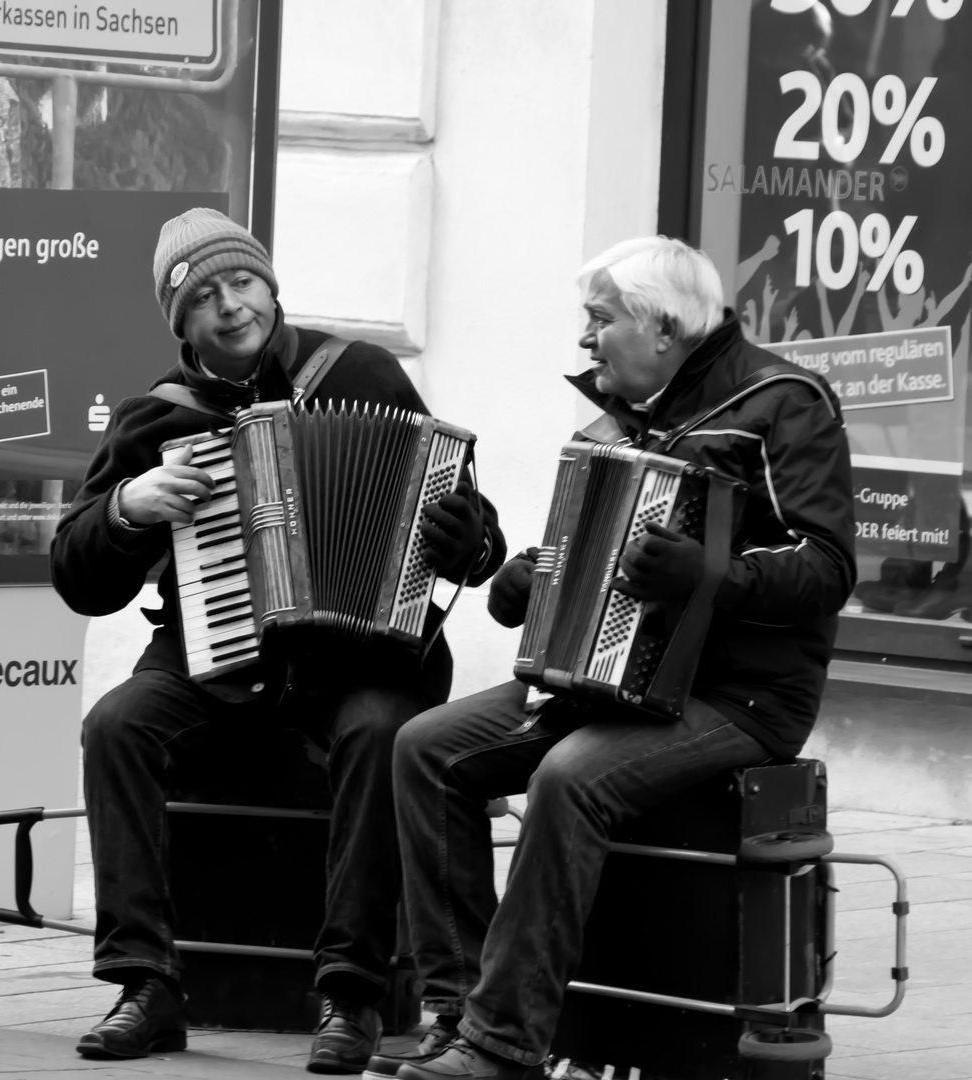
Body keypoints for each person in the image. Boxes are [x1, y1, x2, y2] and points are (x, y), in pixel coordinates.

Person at [365, 236, 856, 1080]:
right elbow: (589, 555)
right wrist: (530, 582)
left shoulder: (785, 404)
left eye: (599, 321)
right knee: (425, 749)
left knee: (569, 775)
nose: (585, 342)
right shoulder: (625, 415)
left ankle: (502, 1045)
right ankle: (458, 1009)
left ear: (662, 329)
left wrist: (713, 576)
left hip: (742, 699)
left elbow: (826, 566)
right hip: (615, 685)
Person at [50, 207, 507, 1073]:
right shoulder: (156, 419)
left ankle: (350, 996)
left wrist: (465, 539)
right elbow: (78, 575)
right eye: (204, 296)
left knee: (380, 732)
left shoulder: (363, 373)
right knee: (117, 725)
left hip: (365, 658)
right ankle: (145, 984)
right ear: (180, 321)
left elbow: (476, 535)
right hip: (218, 661)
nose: (229, 307)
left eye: (241, 283)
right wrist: (127, 508)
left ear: (269, 286)